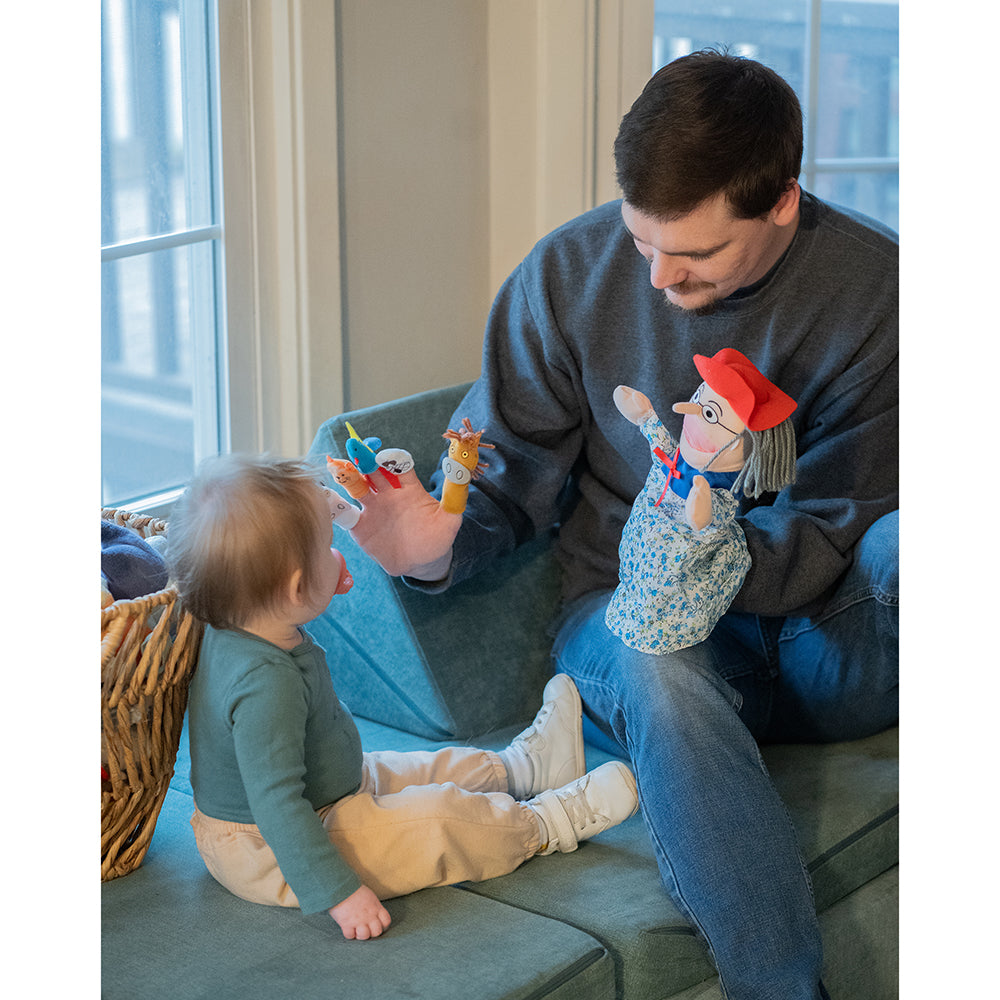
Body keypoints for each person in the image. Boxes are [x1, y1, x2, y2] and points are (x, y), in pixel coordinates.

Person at [347, 48, 897, 997]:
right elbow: (504, 470)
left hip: (822, 635)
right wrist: (437, 547)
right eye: (644, 242)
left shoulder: (879, 290)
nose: (658, 277)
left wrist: (707, 555)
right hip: (634, 620)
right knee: (658, 655)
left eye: (695, 254)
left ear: (781, 203)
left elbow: (844, 518)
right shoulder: (568, 273)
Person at [167, 454, 639, 941]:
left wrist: (320, 573)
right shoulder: (263, 684)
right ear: (293, 589)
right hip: (272, 847)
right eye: (328, 547)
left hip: (333, 788)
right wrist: (339, 894)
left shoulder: (247, 618)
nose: (338, 553)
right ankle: (542, 824)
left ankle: (524, 769)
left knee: (424, 767)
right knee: (437, 820)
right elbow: (276, 805)